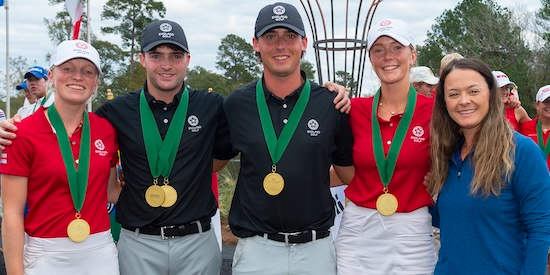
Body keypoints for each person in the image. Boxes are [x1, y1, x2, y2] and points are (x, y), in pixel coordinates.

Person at [221, 3, 354, 275]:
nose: (280, 45)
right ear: (256, 44)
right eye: (271, 37)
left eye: (289, 36)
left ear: (304, 43)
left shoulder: (331, 104)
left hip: (315, 250)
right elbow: (210, 161)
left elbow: (348, 173)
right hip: (256, 251)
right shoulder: (236, 105)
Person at [0, 40, 120, 274]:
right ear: (52, 76)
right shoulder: (21, 133)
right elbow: (12, 214)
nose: (78, 76)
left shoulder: (106, 130)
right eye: (68, 68)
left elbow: (111, 190)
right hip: (45, 254)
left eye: (87, 71)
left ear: (96, 82)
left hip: (100, 252)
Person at [333, 18, 436, 274]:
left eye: (396, 47)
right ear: (371, 59)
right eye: (378, 49)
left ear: (412, 55)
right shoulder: (352, 109)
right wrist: (326, 92)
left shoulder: (436, 112)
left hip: (413, 232)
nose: (388, 56)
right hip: (359, 230)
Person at [428, 58, 550, 274]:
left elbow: (540, 230)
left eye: (473, 91)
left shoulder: (522, 152)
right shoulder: (447, 153)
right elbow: (456, 220)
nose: (463, 101)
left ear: (491, 95)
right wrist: (428, 198)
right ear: (444, 102)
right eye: (453, 94)